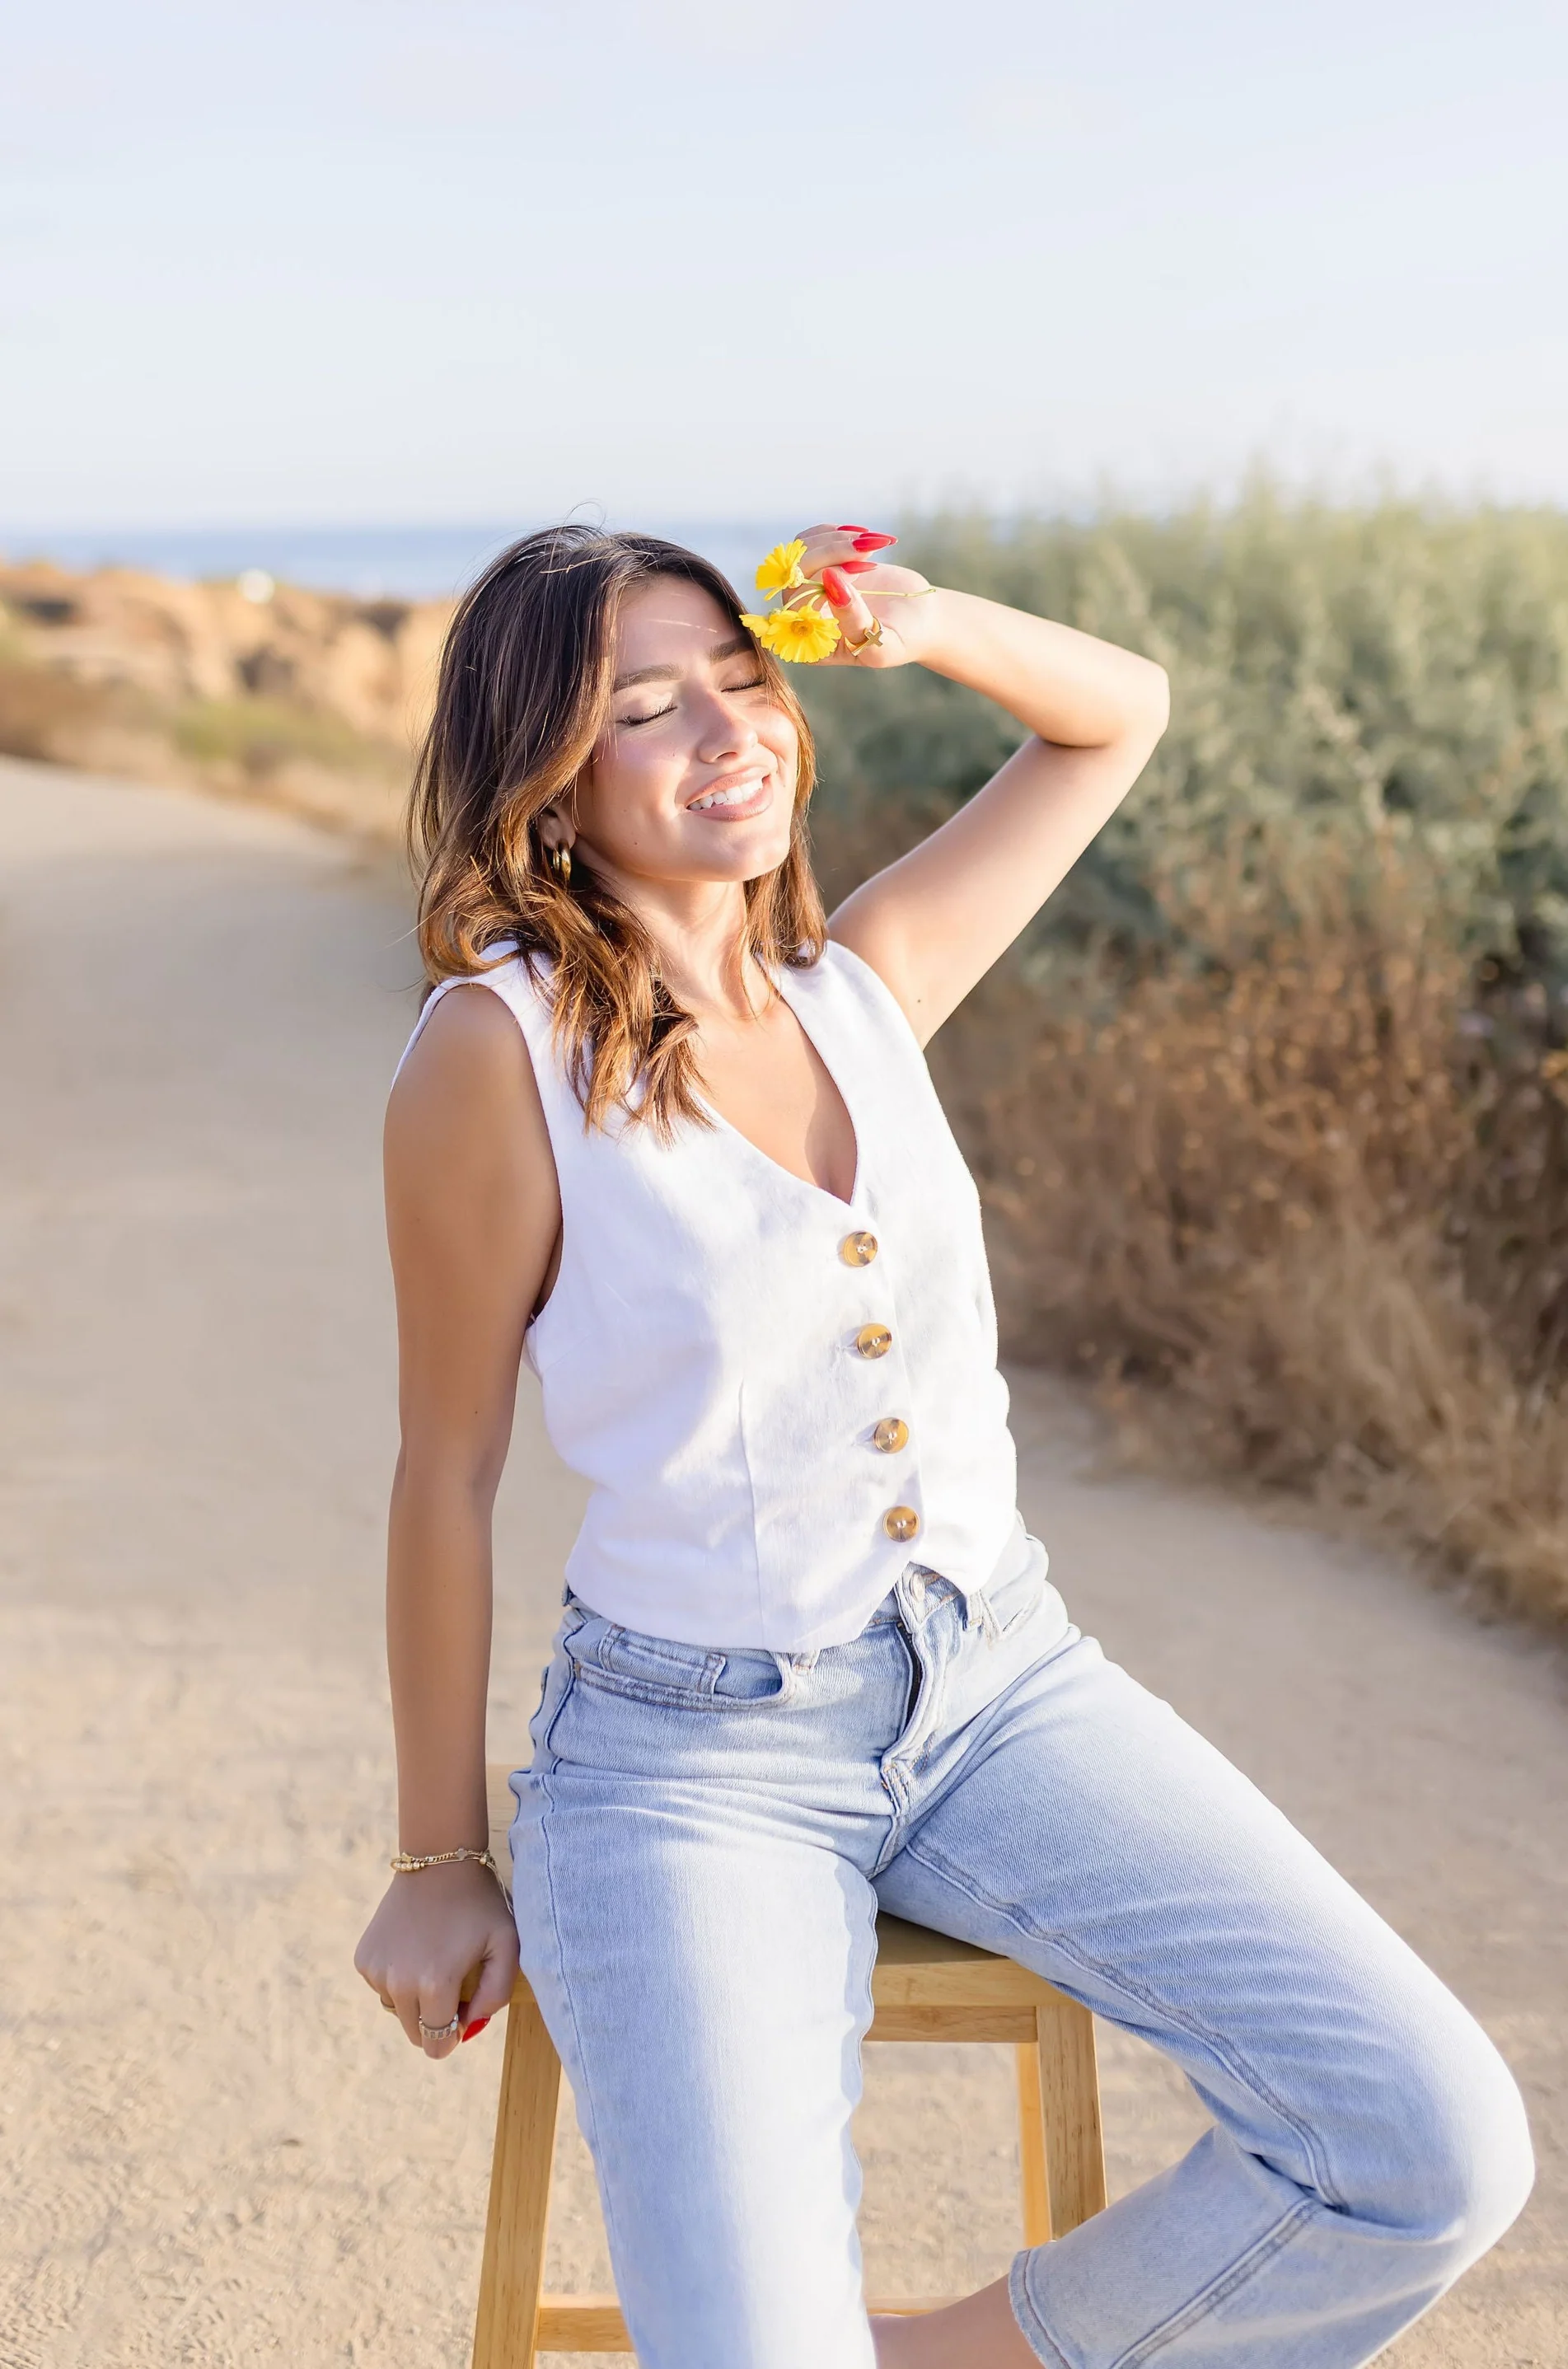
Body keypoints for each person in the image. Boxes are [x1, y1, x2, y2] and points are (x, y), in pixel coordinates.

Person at [354, 522, 1532, 2369]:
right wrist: (434, 1865)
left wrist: (920, 623)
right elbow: (446, 1471)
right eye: (648, 709)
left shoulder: (867, 980)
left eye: (747, 684)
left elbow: (1116, 719)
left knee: (1432, 2150)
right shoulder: (495, 1057)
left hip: (1001, 1692)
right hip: (689, 1766)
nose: (728, 731)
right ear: (551, 789)